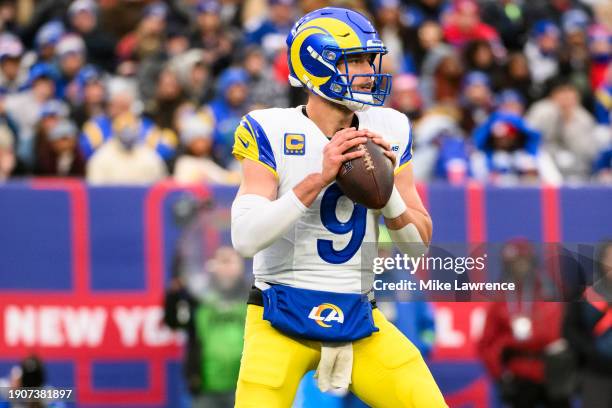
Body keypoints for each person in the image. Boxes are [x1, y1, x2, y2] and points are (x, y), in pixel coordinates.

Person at [230, 7, 446, 407]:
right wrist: (320, 176)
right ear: (317, 64)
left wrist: (386, 187)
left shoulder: (390, 126)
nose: (368, 70)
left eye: (369, 59)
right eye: (355, 60)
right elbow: (244, 239)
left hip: (359, 315)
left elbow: (417, 247)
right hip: (278, 315)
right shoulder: (270, 129)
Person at [478, 239, 570, 408]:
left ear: (532, 262)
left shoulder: (549, 293)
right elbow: (486, 343)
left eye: (523, 261)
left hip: (552, 373)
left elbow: (560, 334)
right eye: (514, 262)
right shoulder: (501, 300)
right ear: (507, 265)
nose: (520, 267)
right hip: (519, 376)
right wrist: (500, 376)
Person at [563, 240, 612, 408]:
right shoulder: (586, 293)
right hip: (596, 371)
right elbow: (570, 329)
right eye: (609, 257)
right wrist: (590, 351)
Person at [86, 112, 167, 185]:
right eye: (123, 131)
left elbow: (160, 188)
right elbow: (95, 191)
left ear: (138, 131)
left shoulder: (150, 157)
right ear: (115, 132)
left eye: (131, 131)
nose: (127, 135)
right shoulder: (101, 157)